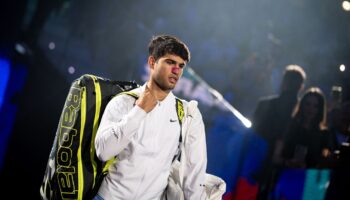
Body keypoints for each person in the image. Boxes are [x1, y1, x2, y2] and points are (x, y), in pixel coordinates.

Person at [93, 35, 207, 199]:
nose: (176, 70)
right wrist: (139, 111)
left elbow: (194, 171)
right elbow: (103, 152)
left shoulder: (189, 114)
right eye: (170, 62)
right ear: (152, 62)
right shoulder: (123, 101)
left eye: (181, 66)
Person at [251, 64, 306, 199]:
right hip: (285, 172)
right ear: (301, 86)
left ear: (283, 82)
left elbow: (252, 135)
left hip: (259, 165)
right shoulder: (304, 112)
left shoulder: (265, 104)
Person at [281, 87, 331, 168]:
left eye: (315, 106)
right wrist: (287, 162)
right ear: (302, 105)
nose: (310, 109)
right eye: (308, 104)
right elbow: (276, 156)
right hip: (285, 174)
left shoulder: (323, 135)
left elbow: (322, 161)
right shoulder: (290, 127)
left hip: (309, 177)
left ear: (320, 109)